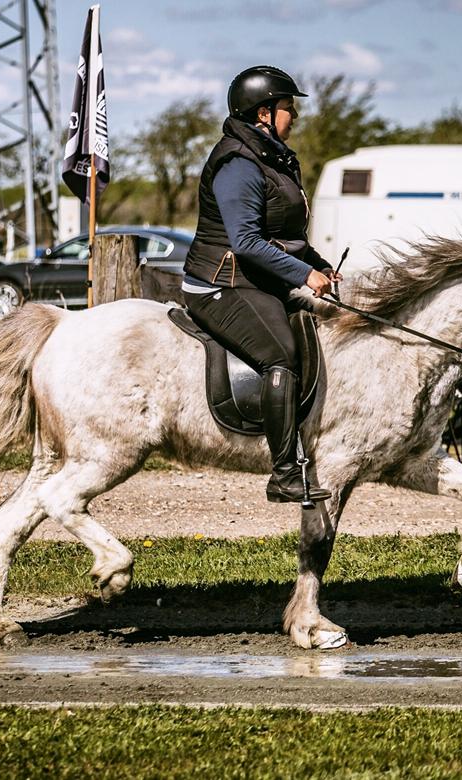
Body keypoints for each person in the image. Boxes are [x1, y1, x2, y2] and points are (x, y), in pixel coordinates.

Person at [181, 66, 340, 504]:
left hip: (255, 280)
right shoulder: (238, 163)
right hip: (222, 284)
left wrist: (318, 263)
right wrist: (304, 275)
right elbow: (247, 242)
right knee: (281, 355)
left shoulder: (273, 157)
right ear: (264, 113)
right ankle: (285, 473)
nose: (295, 116)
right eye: (289, 108)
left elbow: (283, 232)